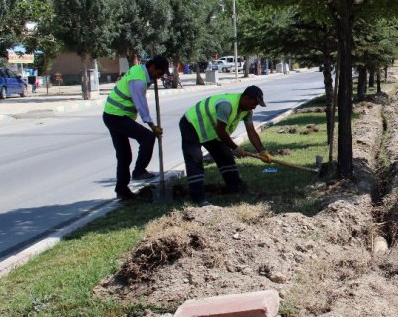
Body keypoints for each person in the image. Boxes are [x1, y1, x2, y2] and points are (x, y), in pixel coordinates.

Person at [180, 85, 272, 206]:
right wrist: (235, 148)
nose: (254, 107)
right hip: (192, 124)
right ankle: (198, 198)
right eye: (254, 103)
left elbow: (251, 132)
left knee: (225, 156)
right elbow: (221, 131)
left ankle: (235, 188)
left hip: (211, 131)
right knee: (195, 159)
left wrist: (262, 151)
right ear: (246, 98)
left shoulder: (247, 111)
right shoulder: (226, 105)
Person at [103, 56, 169, 200]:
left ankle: (122, 190)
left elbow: (147, 82)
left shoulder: (139, 70)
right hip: (117, 117)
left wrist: (152, 80)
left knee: (124, 156)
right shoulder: (138, 81)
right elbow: (141, 105)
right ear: (152, 68)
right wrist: (152, 126)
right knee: (148, 137)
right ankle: (139, 171)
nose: (159, 77)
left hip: (112, 115)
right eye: (159, 73)